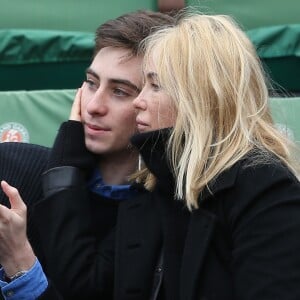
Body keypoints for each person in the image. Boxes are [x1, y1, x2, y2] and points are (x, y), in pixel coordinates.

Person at [2, 10, 300, 300]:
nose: (140, 102)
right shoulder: (152, 189)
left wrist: (22, 267)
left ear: (198, 99)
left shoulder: (264, 186)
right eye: (91, 83)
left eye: (149, 86)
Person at [0, 10, 174, 300]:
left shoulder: (163, 216)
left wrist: (20, 263)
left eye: (119, 91)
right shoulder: (12, 167)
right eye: (92, 83)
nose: (94, 105)